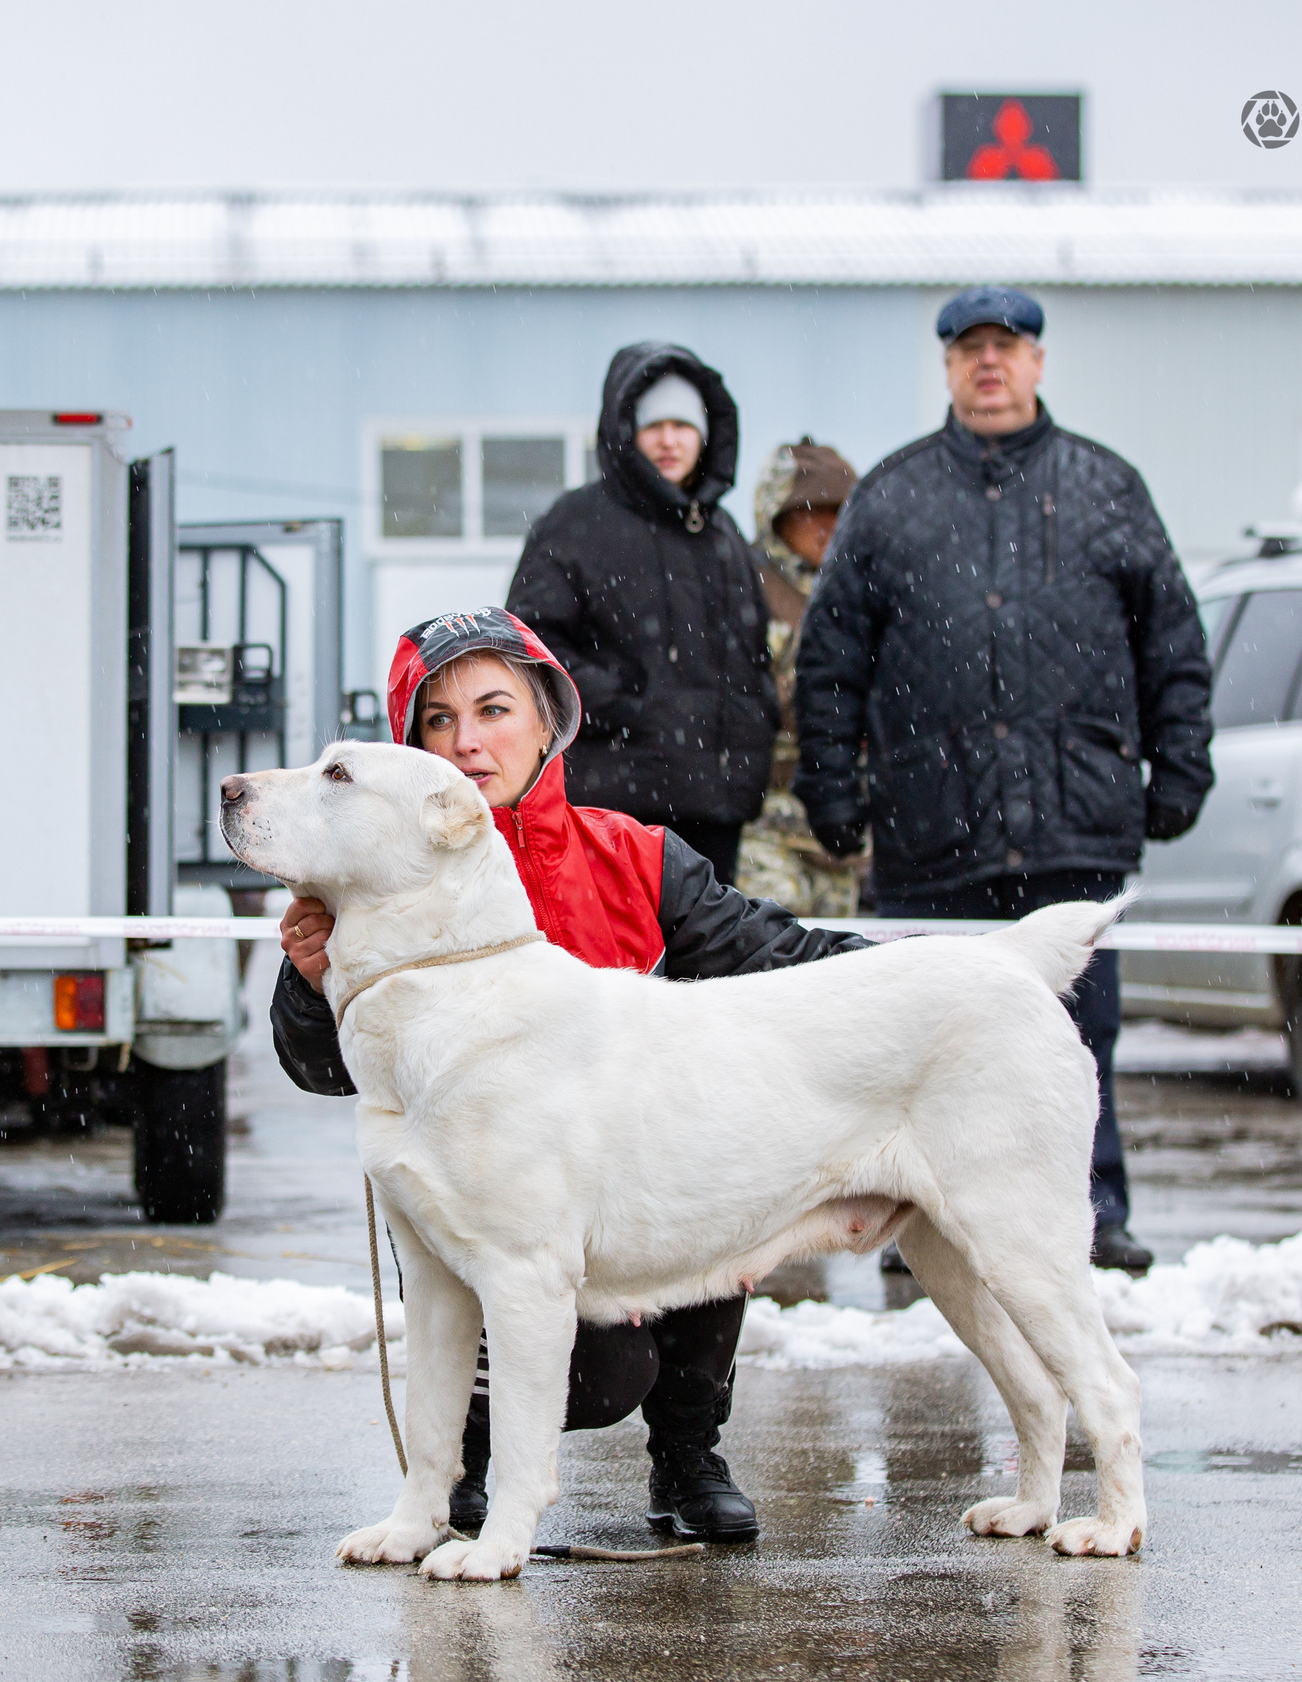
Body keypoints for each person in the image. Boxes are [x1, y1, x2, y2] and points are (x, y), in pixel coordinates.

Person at [271, 607, 867, 1543]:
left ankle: (687, 1451)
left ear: (550, 720)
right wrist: (314, 987)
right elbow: (314, 1068)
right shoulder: (362, 878)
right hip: (488, 1200)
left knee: (721, 1165)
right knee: (577, 1354)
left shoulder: (637, 857)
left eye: (496, 709)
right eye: (438, 721)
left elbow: (785, 959)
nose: (468, 741)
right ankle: (457, 1465)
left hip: (632, 1175)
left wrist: (928, 982)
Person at [792, 286, 1214, 1275]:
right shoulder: (891, 497)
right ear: (946, 367)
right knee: (925, 1042)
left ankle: (1091, 1213)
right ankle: (919, 1226)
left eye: (1007, 346)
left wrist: (1179, 764)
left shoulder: (1107, 488)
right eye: (969, 348)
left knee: (1077, 1032)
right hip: (931, 826)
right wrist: (834, 790)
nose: (989, 364)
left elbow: (1173, 644)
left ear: (1036, 361)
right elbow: (830, 659)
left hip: (1079, 822)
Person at [505, 343, 775, 883]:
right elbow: (529, 647)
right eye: (654, 425)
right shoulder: (577, 523)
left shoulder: (724, 536)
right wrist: (630, 707)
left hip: (717, 810)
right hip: (616, 804)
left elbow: (753, 665)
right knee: (622, 965)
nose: (670, 440)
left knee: (707, 964)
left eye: (683, 424)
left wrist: (749, 761)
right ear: (625, 431)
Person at [736, 438, 865, 918]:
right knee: (776, 938)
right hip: (763, 820)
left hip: (839, 825)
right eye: (813, 510)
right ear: (776, 514)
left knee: (839, 962)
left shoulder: (859, 586)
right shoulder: (743, 584)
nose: (829, 525)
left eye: (840, 510)